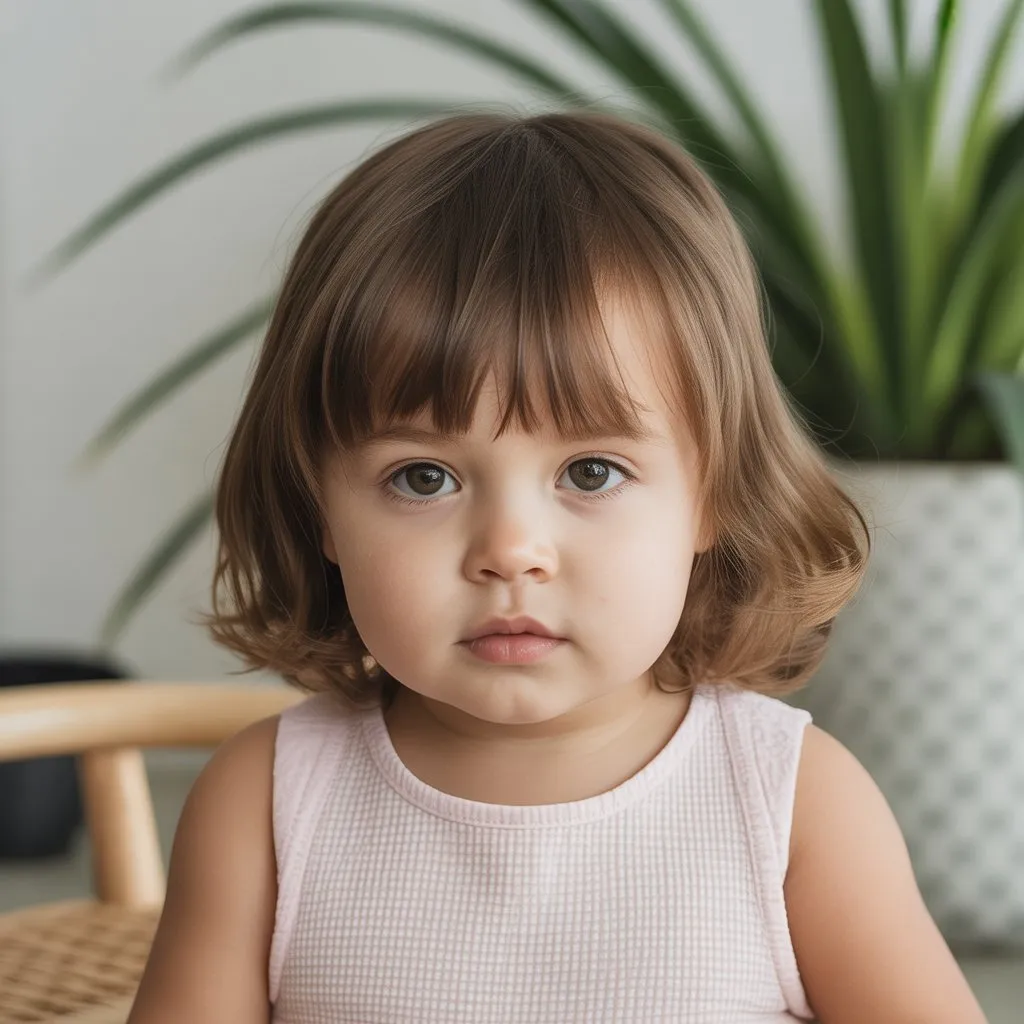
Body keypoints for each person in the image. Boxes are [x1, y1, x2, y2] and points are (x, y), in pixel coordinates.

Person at [126, 108, 987, 1023]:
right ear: (319, 508)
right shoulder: (262, 808)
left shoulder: (791, 803)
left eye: (591, 472)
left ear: (712, 494)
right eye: (423, 477)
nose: (510, 551)